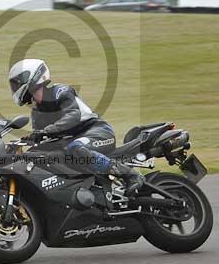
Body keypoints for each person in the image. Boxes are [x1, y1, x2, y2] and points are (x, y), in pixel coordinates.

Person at [8, 58, 144, 195]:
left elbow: (72, 116)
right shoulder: (37, 112)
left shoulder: (60, 91)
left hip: (97, 131)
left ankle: (130, 175)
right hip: (73, 140)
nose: (15, 87)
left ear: (33, 78)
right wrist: (23, 146)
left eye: (16, 83)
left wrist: (45, 132)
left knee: (75, 148)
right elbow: (42, 141)